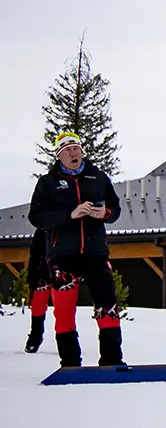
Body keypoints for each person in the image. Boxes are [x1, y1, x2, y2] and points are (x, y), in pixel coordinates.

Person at [27, 133, 123, 367]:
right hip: (63, 255)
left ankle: (112, 361)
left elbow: (116, 208)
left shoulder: (98, 177)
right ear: (58, 154)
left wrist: (105, 213)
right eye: (67, 149)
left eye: (76, 148)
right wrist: (70, 215)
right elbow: (36, 217)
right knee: (64, 310)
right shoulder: (47, 182)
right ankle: (70, 364)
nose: (73, 153)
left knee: (108, 305)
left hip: (95, 253)